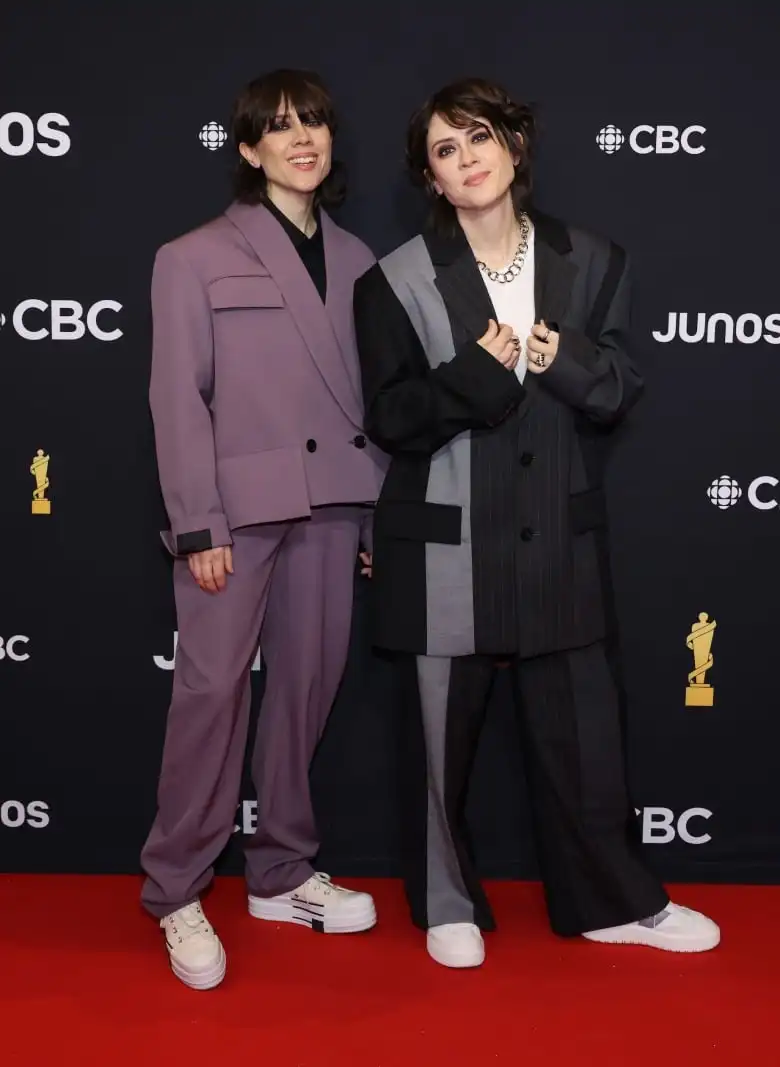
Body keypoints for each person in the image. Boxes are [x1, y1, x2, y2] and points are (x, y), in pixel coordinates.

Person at [353, 77, 720, 969]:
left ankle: (609, 901)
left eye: (478, 137)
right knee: (441, 740)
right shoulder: (392, 278)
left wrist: (563, 358)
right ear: (431, 179)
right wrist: (478, 376)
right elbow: (391, 417)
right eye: (445, 149)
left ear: (515, 147)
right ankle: (446, 901)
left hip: (559, 534)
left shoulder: (592, 259)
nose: (466, 158)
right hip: (445, 542)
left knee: (585, 735)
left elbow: (619, 391)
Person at [141, 68, 386, 990]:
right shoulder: (193, 255)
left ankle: (281, 869)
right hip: (234, 516)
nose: (301, 139)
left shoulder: (362, 258)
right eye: (278, 128)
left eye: (313, 121)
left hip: (333, 499)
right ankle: (176, 889)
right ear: (248, 150)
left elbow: (370, 400)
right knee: (209, 695)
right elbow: (177, 400)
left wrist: (371, 510)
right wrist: (197, 521)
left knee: (307, 691)